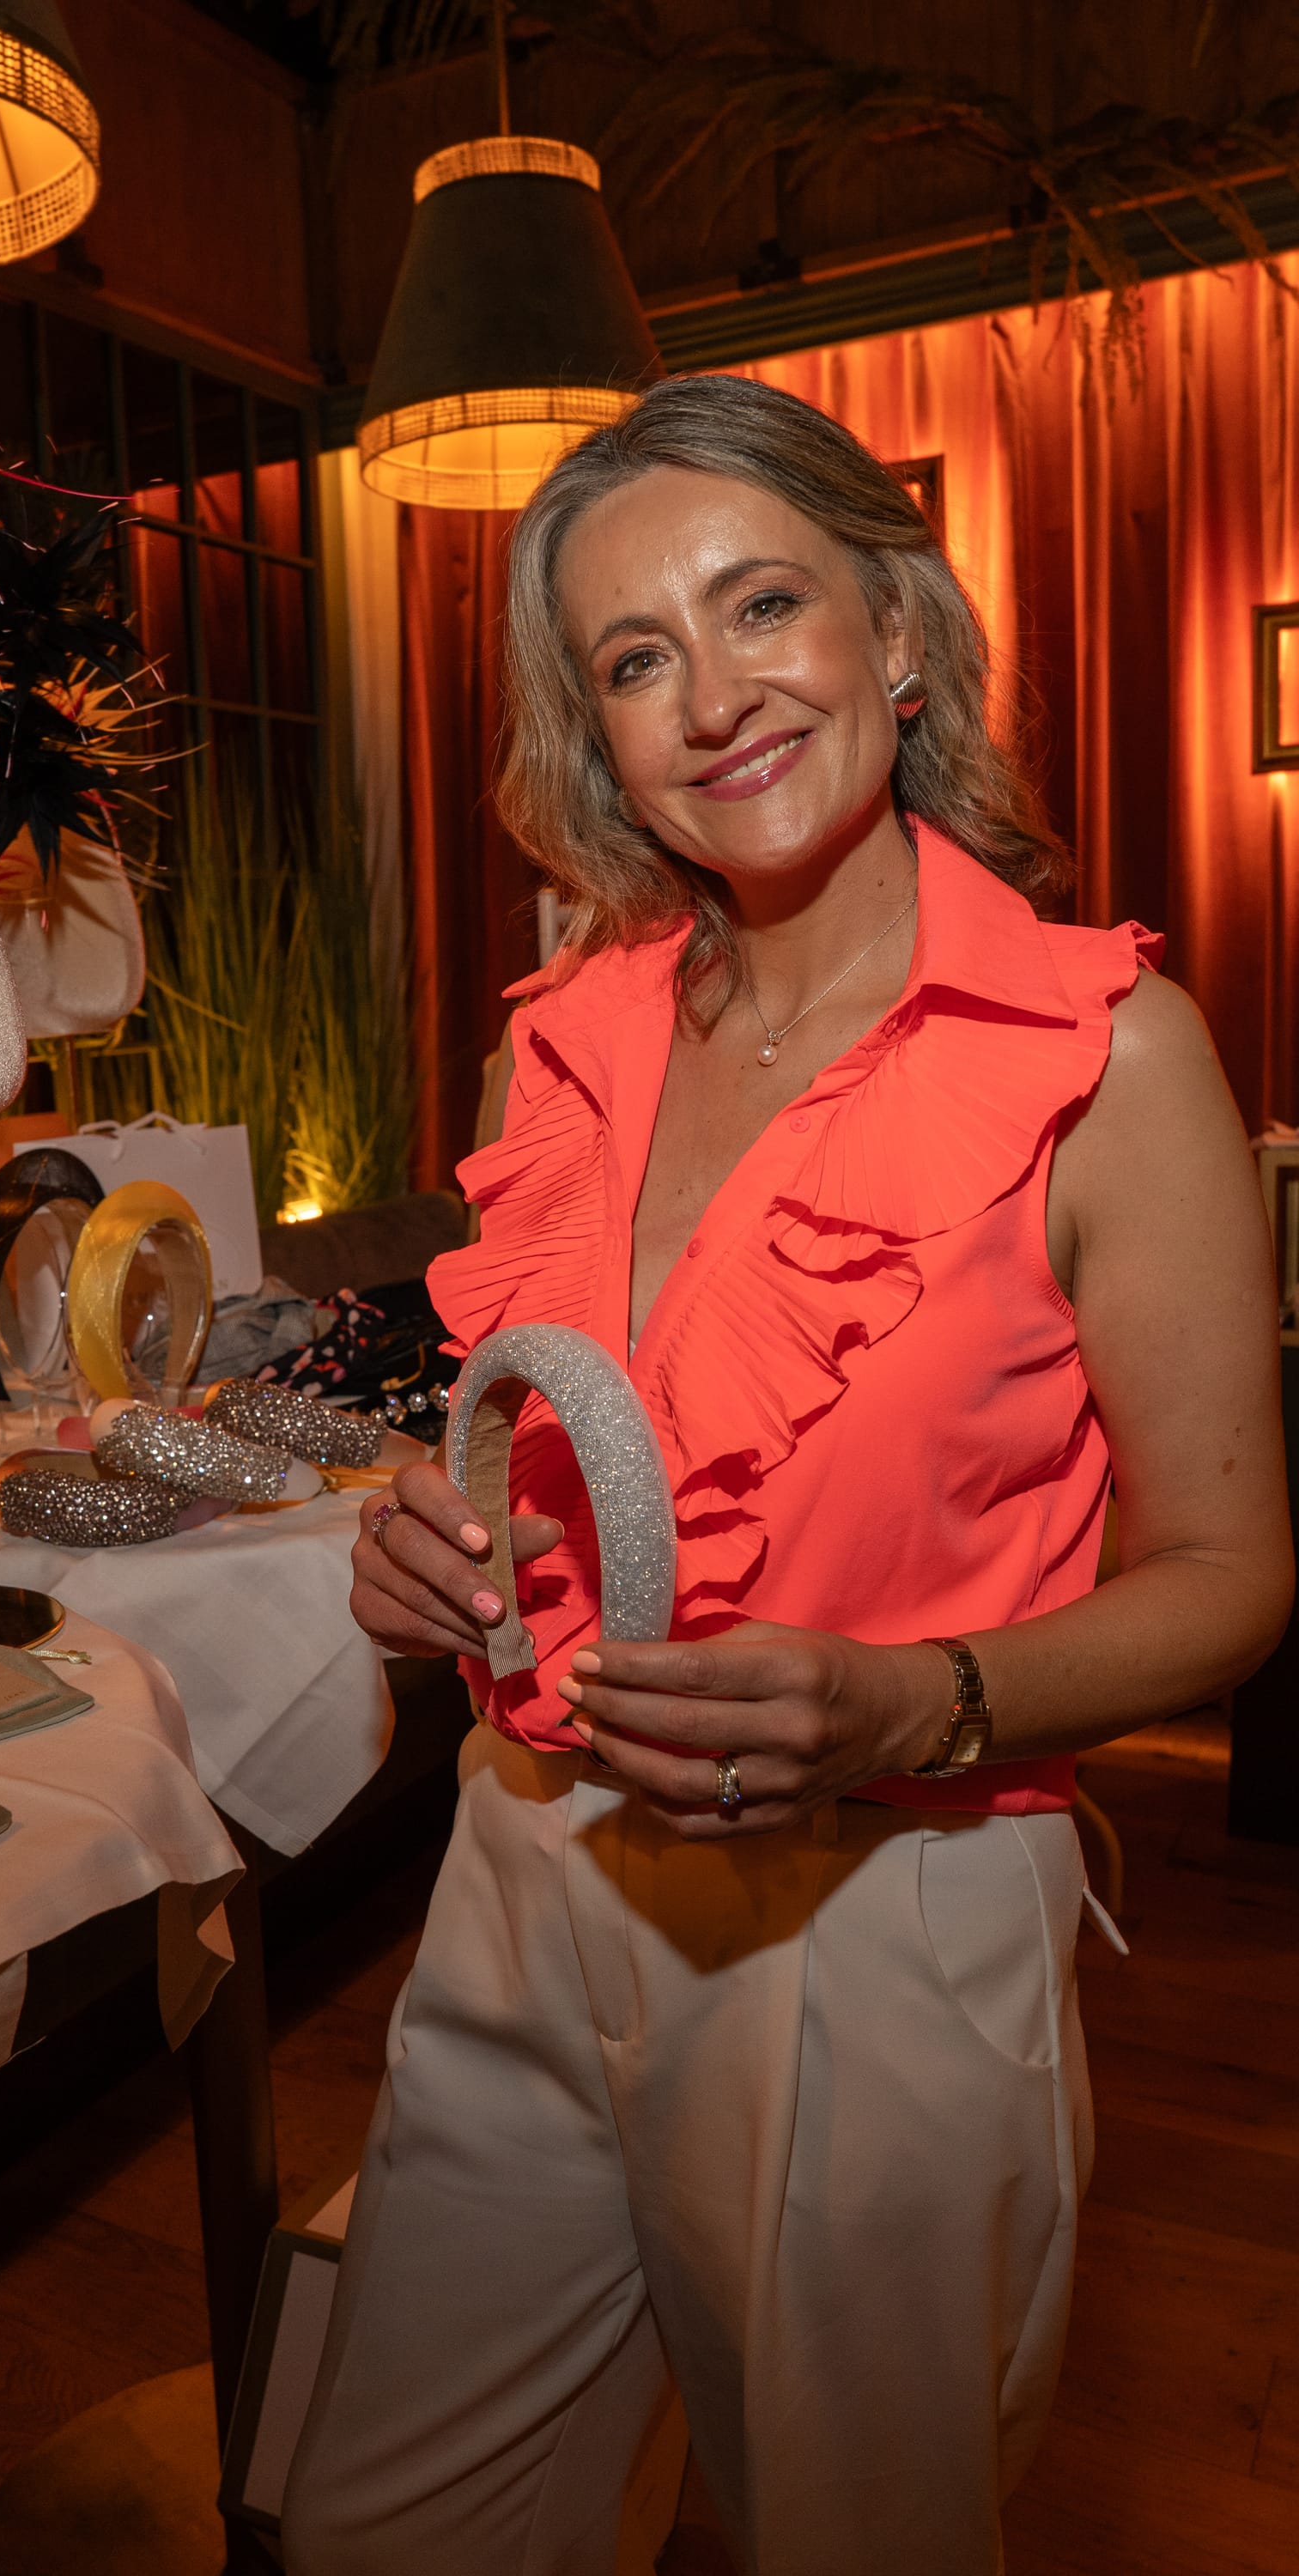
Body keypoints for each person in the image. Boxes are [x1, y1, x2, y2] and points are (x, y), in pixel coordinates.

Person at [281, 374, 1292, 2576]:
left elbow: (1230, 1575)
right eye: (636, 656)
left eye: (762, 606)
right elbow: (558, 1464)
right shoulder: (562, 1042)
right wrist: (435, 1560)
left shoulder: (1099, 1056)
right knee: (393, 2527)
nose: (713, 697)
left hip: (885, 1915)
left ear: (895, 630)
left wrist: (915, 1700)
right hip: (522, 1859)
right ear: (596, 727)